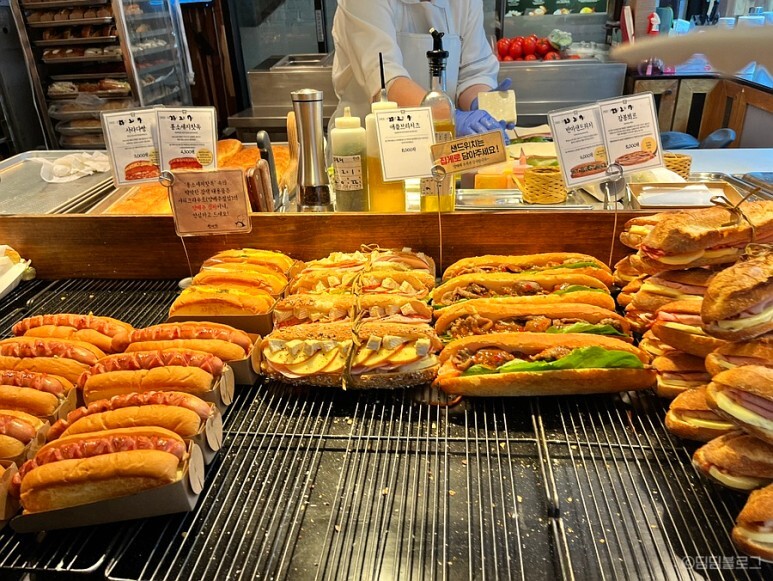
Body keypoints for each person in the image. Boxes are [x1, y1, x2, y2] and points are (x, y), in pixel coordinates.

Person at [331, 0, 511, 141]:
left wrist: (481, 104)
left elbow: (473, 72)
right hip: (368, 149)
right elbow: (386, 80)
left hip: (443, 145)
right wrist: (450, 118)